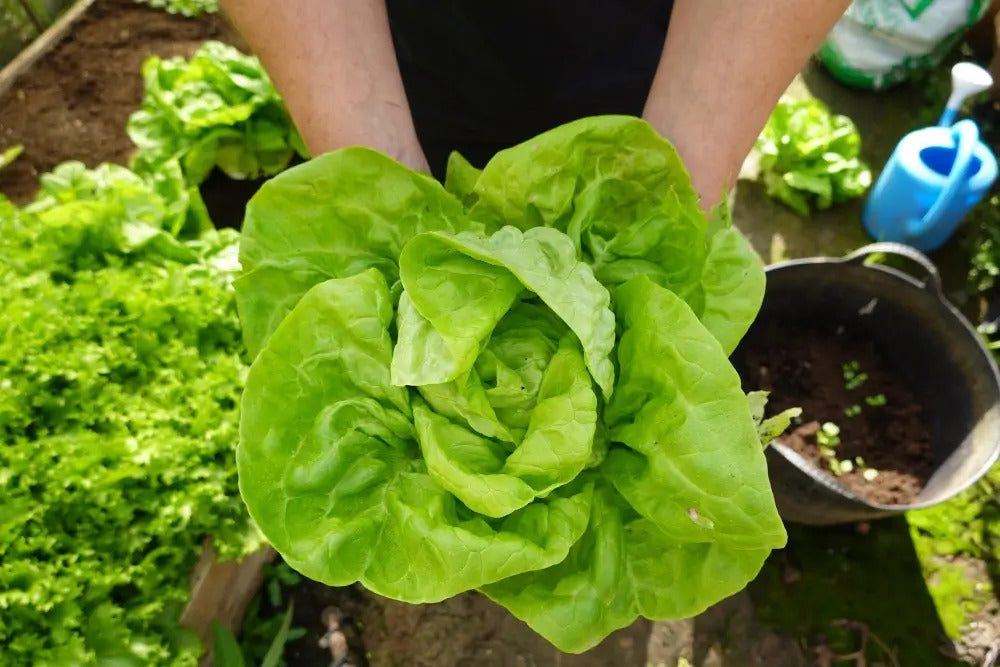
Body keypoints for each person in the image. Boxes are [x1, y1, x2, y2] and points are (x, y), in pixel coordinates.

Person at [219, 1, 850, 210]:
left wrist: (673, 184)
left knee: (638, 203)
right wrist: (374, 169)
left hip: (665, 46)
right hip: (403, 44)